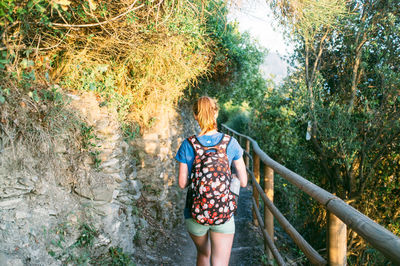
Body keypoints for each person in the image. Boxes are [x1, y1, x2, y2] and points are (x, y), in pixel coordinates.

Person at [175, 96, 247, 266]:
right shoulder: (231, 143)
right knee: (219, 262)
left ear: (195, 115)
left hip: (195, 213)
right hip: (223, 213)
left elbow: (182, 183)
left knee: (203, 253)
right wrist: (231, 177)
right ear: (216, 112)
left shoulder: (188, 144)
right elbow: (244, 182)